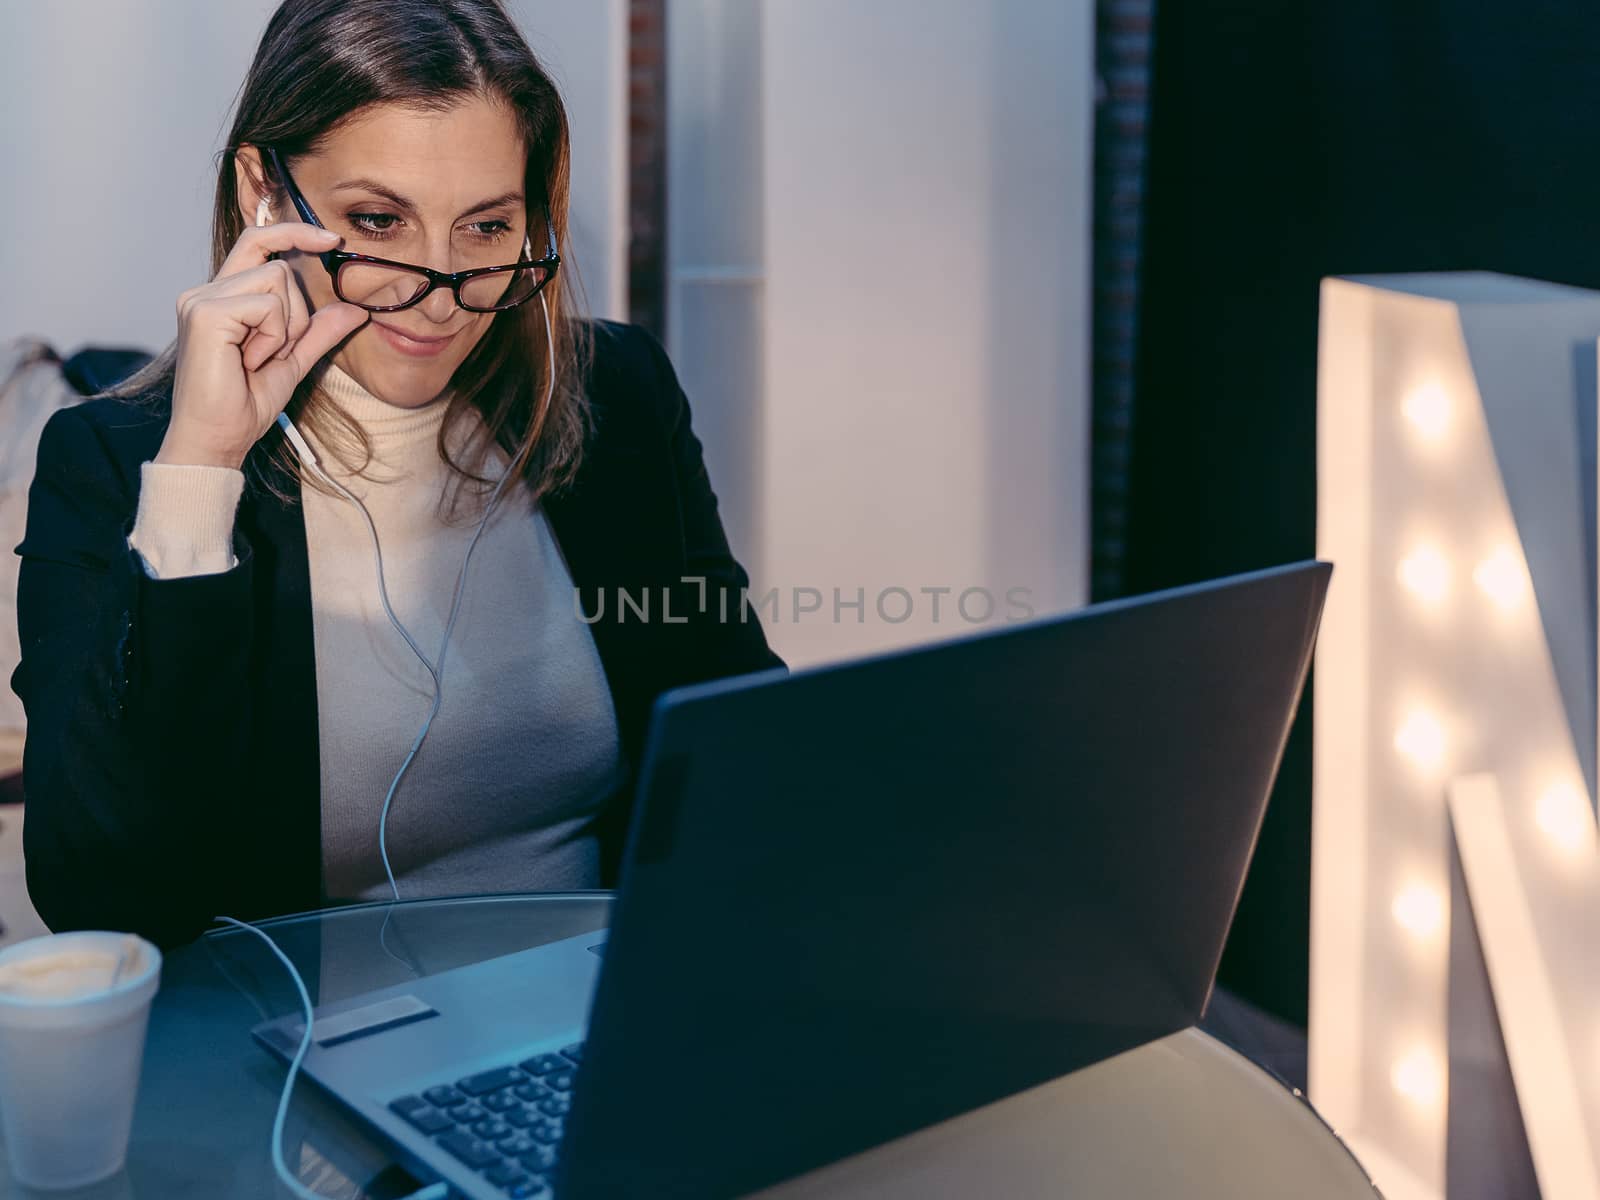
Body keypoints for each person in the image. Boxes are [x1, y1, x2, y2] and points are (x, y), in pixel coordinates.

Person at [12, 0, 782, 949]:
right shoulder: (114, 463)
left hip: (607, 1011)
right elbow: (103, 896)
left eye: (488, 227)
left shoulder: (617, 396)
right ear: (263, 190)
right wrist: (201, 470)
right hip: (297, 1047)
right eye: (378, 220)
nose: (438, 291)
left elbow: (737, 734)